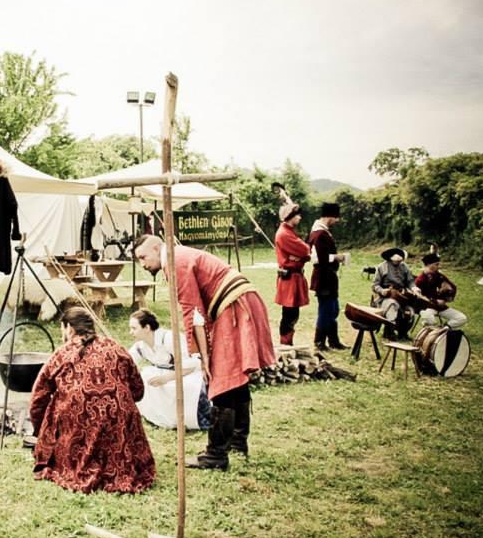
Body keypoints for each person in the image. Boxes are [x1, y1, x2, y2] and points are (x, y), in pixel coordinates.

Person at [134, 235, 275, 471]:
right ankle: (237, 442)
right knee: (234, 378)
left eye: (143, 257)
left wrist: (203, 357)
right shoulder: (177, 257)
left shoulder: (174, 261)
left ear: (157, 248)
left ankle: (216, 455)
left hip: (234, 306)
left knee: (222, 380)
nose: (142, 264)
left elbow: (193, 312)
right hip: (238, 301)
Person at [29, 307, 155, 493]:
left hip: (78, 431)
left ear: (69, 328)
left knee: (57, 404)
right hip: (119, 432)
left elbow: (37, 399)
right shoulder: (115, 347)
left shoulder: (61, 354)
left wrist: (42, 432)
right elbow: (138, 390)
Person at [127, 308, 211, 430]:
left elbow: (191, 365)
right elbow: (127, 361)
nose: (131, 332)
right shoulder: (141, 346)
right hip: (167, 374)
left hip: (189, 373)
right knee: (145, 377)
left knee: (182, 386)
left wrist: (166, 378)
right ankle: (161, 417)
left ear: (147, 328)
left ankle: (192, 419)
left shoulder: (169, 338)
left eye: (134, 328)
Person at [307, 202, 349, 351]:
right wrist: (337, 258)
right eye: (336, 217)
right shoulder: (319, 234)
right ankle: (319, 342)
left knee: (333, 309)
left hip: (328, 276)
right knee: (326, 309)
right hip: (323, 276)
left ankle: (333, 340)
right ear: (330, 216)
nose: (337, 220)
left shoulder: (323, 232)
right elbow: (318, 258)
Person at [273, 197, 312, 345]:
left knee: (292, 313)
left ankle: (287, 342)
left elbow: (303, 254)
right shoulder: (284, 233)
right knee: (289, 314)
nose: (300, 217)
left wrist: (300, 258)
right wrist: (301, 257)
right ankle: (286, 343)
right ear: (290, 217)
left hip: (294, 277)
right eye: (297, 215)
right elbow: (305, 249)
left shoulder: (289, 231)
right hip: (290, 278)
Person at [372, 247, 420, 340]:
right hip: (386, 297)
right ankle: (390, 331)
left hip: (402, 295)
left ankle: (403, 332)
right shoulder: (382, 267)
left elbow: (410, 280)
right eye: (396, 261)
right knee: (392, 304)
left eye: (399, 261)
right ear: (390, 258)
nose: (398, 263)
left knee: (409, 310)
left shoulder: (404, 266)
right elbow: (375, 285)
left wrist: (414, 288)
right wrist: (382, 291)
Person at [415, 253, 468, 329]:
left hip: (440, 307)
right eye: (436, 264)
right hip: (427, 307)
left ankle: (443, 329)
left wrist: (444, 298)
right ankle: (431, 330)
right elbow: (419, 299)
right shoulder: (420, 280)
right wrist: (435, 301)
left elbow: (452, 287)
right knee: (428, 317)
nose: (438, 266)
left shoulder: (438, 275)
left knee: (462, 318)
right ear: (429, 265)